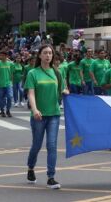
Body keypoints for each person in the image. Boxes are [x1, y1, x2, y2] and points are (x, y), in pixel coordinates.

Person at [25, 44, 69, 189]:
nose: (48, 55)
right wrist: (35, 109)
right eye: (45, 53)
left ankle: (51, 177)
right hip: (39, 115)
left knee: (52, 145)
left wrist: (65, 91)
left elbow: (62, 88)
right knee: (36, 145)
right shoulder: (33, 73)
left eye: (50, 53)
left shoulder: (57, 73)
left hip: (54, 114)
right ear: (39, 55)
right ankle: (31, 168)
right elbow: (30, 93)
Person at [0, 51, 14, 117]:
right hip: (0, 84)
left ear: (6, 56)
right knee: (1, 98)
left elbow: (11, 73)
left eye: (2, 55)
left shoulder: (10, 64)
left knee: (9, 97)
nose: (1, 56)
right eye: (0, 55)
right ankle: (2, 110)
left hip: (8, 83)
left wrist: (12, 82)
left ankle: (8, 110)